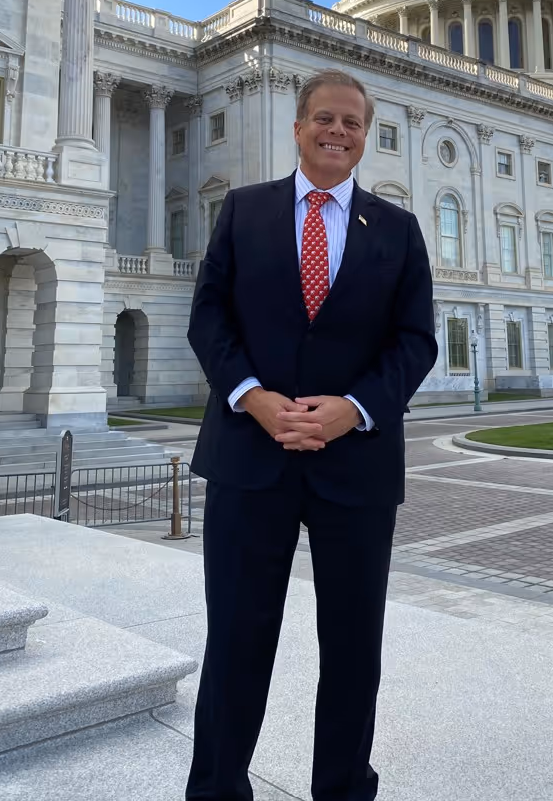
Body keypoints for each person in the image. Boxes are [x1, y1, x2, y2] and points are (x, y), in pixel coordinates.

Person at [185, 68, 437, 801]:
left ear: (364, 138)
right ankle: (217, 789)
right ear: (298, 128)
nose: (336, 131)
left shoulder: (397, 229)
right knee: (235, 639)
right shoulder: (243, 210)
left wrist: (352, 407)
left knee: (353, 646)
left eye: (351, 122)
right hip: (248, 451)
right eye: (323, 118)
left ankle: (342, 789)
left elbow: (414, 342)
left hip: (353, 459)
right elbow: (209, 317)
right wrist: (252, 397)